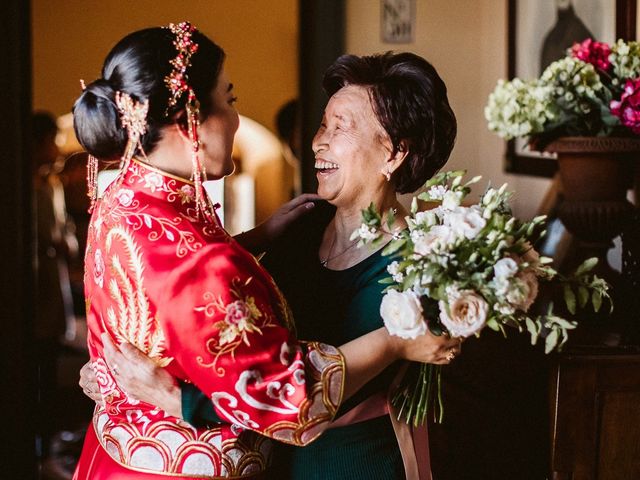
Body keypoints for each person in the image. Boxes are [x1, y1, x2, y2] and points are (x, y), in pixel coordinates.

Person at [72, 23, 460, 480]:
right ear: (189, 121)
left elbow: (292, 392)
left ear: (393, 154)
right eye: (322, 123)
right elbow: (197, 301)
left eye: (341, 128)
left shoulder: (413, 266)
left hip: (346, 463)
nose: (317, 141)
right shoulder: (300, 227)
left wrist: (166, 394)